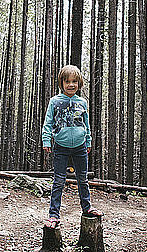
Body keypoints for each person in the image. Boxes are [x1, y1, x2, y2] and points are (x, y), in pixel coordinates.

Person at [41, 65, 103, 229]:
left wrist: (88, 141)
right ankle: (53, 215)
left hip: (80, 146)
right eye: (67, 81)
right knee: (59, 181)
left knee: (83, 179)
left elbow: (86, 124)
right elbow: (48, 122)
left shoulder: (82, 102)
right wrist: (46, 140)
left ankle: (87, 208)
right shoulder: (55, 101)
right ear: (61, 83)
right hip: (60, 147)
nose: (71, 85)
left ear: (79, 83)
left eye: (74, 81)